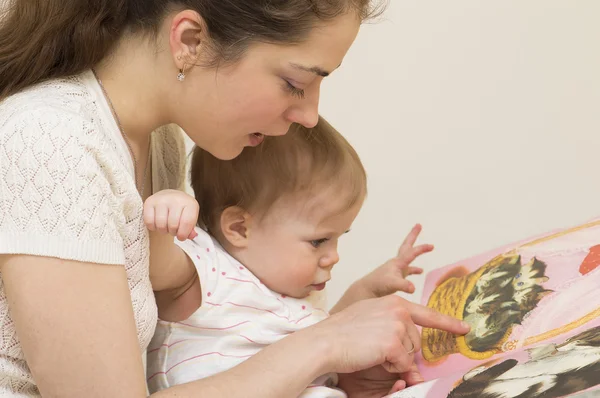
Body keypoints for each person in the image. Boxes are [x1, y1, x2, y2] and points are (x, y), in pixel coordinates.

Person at [0, 1, 470, 397]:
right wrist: (324, 344)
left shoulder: (159, 142)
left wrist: (335, 368)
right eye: (294, 83)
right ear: (189, 42)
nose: (310, 115)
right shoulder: (50, 138)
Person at [144, 116, 430, 396]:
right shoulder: (209, 268)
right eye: (319, 241)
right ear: (239, 228)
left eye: (338, 238)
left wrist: (366, 291)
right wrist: (165, 215)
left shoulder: (289, 293)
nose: (334, 257)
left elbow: (329, 333)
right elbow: (155, 268)